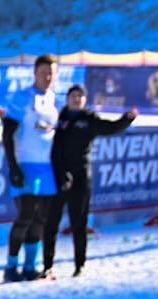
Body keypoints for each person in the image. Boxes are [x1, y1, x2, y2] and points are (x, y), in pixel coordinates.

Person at [44, 86, 136, 278]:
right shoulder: (59, 118)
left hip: (80, 178)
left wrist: (126, 119)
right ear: (67, 99)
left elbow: (110, 128)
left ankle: (80, 265)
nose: (76, 100)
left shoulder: (89, 119)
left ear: (85, 100)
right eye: (73, 96)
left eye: (80, 97)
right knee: (52, 223)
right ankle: (47, 266)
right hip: (59, 176)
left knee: (80, 223)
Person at [0, 55, 61, 282]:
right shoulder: (22, 97)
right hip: (25, 165)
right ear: (35, 73)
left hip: (47, 168)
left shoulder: (55, 100)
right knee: (25, 215)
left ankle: (30, 266)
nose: (48, 77)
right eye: (44, 72)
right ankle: (11, 266)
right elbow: (7, 133)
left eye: (52, 73)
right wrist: (14, 166)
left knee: (40, 219)